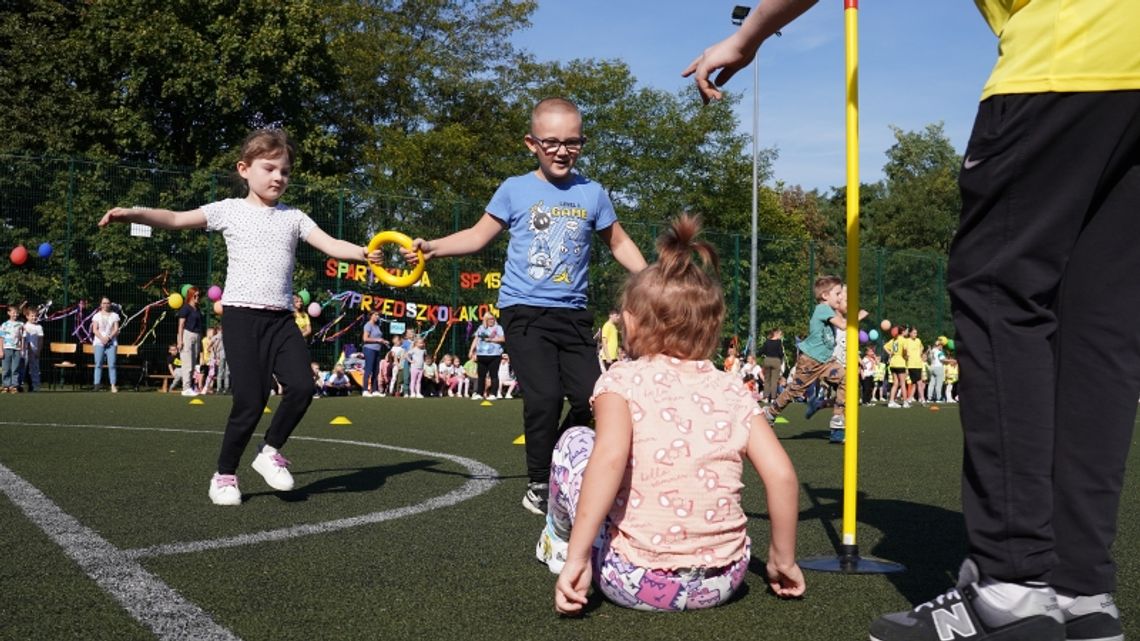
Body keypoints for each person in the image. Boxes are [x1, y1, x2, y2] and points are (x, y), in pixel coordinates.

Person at [687, 3, 1134, 640]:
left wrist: (747, 34)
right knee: (1097, 328)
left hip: (1069, 57)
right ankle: (1083, 593)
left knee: (999, 292)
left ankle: (1010, 589)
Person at [100, 127, 382, 506]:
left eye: (285, 171)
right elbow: (176, 218)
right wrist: (133, 213)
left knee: (301, 386)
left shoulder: (295, 218)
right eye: (269, 168)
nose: (279, 177)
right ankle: (225, 475)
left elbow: (331, 245)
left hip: (281, 319)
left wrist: (365, 252)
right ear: (244, 169)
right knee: (250, 399)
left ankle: (269, 452)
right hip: (241, 317)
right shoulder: (228, 210)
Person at [541, 215, 804, 614]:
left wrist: (579, 559)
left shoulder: (622, 380)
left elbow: (609, 459)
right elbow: (782, 474)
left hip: (634, 581)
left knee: (576, 442)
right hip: (724, 580)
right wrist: (782, 560)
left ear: (630, 321)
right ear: (711, 328)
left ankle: (559, 542)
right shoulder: (731, 388)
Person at [404, 97, 648, 514]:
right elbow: (479, 236)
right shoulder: (515, 189)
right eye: (551, 141)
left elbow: (618, 242)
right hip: (524, 311)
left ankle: (558, 457)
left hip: (573, 315)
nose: (561, 150)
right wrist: (433, 249)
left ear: (582, 143)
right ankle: (539, 483)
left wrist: (650, 277)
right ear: (531, 143)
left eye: (572, 142)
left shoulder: (592, 193)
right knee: (544, 397)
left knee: (595, 399)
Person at [760, 276, 864, 438]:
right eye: (837, 294)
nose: (840, 297)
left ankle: (837, 417)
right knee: (795, 391)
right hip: (810, 360)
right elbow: (843, 325)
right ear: (825, 296)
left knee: (847, 380)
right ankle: (770, 413)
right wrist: (859, 315)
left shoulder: (829, 310)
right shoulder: (822, 309)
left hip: (826, 361)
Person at [469, 313, 504, 400]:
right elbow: (476, 339)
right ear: (485, 320)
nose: (491, 320)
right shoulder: (481, 328)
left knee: (494, 375)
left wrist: (491, 339)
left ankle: (493, 394)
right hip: (481, 355)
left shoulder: (498, 328)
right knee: (481, 376)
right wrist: (471, 350)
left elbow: (503, 339)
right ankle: (479, 394)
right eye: (489, 319)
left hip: (494, 355)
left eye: (493, 318)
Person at [177, 287, 203, 396]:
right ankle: (185, 388)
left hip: (196, 336)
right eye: (195, 295)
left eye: (199, 295)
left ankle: (190, 387)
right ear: (190, 296)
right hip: (187, 335)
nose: (198, 297)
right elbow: (181, 325)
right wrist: (180, 341)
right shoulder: (185, 308)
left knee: (193, 364)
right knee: (187, 363)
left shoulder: (197, 309)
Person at [90, 297, 120, 393]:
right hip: (99, 343)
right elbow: (94, 329)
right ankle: (97, 385)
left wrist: (109, 338)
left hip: (111, 343)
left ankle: (113, 385)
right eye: (104, 303)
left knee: (112, 364)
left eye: (107, 303)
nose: (106, 305)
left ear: (110, 304)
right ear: (101, 304)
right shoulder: (96, 316)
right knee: (98, 364)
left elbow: (116, 329)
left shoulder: (114, 315)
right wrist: (102, 338)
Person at [361, 311, 387, 397]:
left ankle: (374, 390)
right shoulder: (368, 325)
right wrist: (378, 340)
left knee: (376, 371)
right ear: (370, 316)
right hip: (369, 350)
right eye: (375, 315)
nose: (377, 316)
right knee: (368, 369)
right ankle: (365, 390)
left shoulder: (377, 326)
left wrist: (383, 341)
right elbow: (365, 339)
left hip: (377, 350)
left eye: (378, 315)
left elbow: (378, 337)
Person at [1, 305, 24, 393]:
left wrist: (21, 348)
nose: (15, 314)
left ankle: (14, 386)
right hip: (6, 349)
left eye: (17, 313)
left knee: (15, 368)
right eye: (13, 312)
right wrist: (1, 350)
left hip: (17, 349)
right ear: (8, 313)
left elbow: (22, 338)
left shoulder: (21, 324)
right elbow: (1, 338)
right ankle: (6, 386)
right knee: (6, 368)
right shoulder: (4, 325)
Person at [759, 327, 784, 403]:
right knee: (774, 380)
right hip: (776, 361)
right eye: (780, 334)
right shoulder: (779, 342)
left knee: (767, 380)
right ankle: (773, 398)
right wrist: (781, 357)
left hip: (767, 360)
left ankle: (766, 397)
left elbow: (762, 351)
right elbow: (780, 353)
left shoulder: (767, 341)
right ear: (776, 334)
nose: (781, 336)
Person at [21, 307, 43, 392]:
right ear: (27, 316)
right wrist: (22, 350)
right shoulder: (24, 326)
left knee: (35, 369)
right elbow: (22, 339)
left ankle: (36, 386)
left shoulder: (39, 327)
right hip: (24, 352)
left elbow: (41, 340)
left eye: (36, 316)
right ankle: (20, 385)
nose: (34, 317)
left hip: (34, 352)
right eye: (32, 316)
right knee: (22, 368)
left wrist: (38, 351)